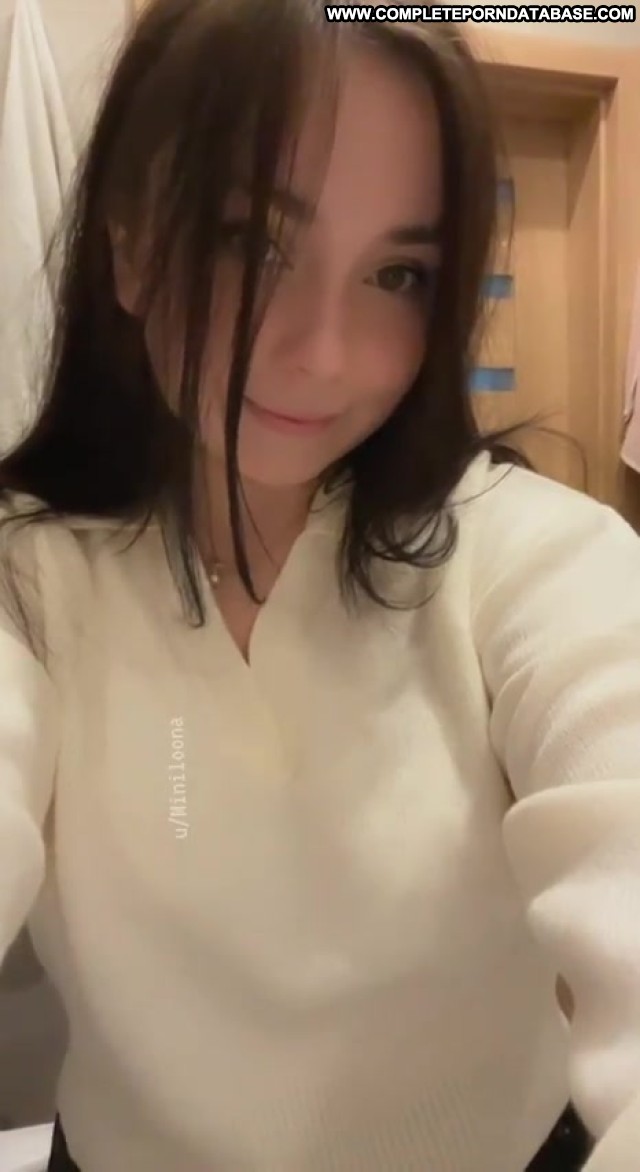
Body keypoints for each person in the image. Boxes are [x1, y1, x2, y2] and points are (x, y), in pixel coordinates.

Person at [0, 1, 637, 1169]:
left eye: (397, 273)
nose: (326, 353)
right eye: (252, 245)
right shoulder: (29, 580)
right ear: (132, 247)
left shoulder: (528, 558)